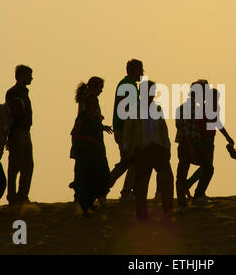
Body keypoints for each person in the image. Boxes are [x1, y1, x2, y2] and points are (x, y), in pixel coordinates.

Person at [123, 80, 174, 219]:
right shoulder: (134, 108)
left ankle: (167, 209)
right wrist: (126, 148)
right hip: (142, 149)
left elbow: (163, 128)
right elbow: (128, 130)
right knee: (141, 182)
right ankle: (142, 213)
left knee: (167, 178)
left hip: (159, 148)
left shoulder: (157, 108)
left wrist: (167, 146)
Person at [70, 87, 113, 217]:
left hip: (98, 153)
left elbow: (96, 127)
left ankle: (90, 203)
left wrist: (103, 127)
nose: (93, 105)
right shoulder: (82, 117)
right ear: (87, 104)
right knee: (86, 180)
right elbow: (74, 134)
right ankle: (85, 208)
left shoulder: (96, 116)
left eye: (95, 103)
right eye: (91, 103)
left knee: (104, 177)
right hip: (85, 154)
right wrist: (89, 139)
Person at [185, 88, 236, 197]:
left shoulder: (213, 107)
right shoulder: (205, 108)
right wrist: (227, 137)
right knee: (207, 167)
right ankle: (192, 187)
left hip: (209, 138)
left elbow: (216, 122)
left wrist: (227, 137)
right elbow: (215, 122)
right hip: (204, 139)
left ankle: (196, 189)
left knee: (207, 167)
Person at [175, 80, 215, 212]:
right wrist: (191, 147)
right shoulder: (189, 107)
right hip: (189, 144)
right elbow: (185, 129)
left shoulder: (193, 107)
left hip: (191, 143)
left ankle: (189, 200)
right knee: (204, 168)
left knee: (201, 168)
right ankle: (189, 200)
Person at [110, 59, 143, 201]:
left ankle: (122, 191)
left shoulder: (131, 85)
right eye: (141, 70)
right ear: (134, 70)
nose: (142, 73)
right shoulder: (127, 85)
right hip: (125, 130)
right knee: (129, 161)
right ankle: (109, 189)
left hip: (126, 129)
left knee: (130, 161)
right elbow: (127, 109)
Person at [5, 65, 34, 205]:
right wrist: (9, 137)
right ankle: (12, 196)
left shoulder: (24, 92)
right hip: (16, 132)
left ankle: (22, 195)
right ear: (21, 75)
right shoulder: (13, 92)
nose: (31, 78)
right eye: (29, 75)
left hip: (26, 132)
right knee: (15, 166)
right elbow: (10, 115)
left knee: (28, 165)